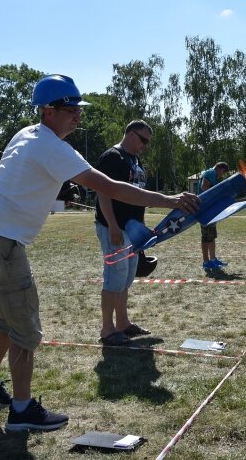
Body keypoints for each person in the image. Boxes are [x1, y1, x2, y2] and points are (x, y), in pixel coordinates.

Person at [0, 75, 199, 433]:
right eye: (70, 109)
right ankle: (22, 410)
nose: (77, 116)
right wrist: (168, 200)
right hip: (4, 242)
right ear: (48, 111)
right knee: (25, 327)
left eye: (78, 109)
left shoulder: (27, 135)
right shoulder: (50, 146)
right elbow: (109, 187)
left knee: (7, 318)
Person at [94, 120, 159, 346]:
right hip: (115, 228)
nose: (144, 146)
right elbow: (103, 193)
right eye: (143, 140)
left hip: (132, 230)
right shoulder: (113, 157)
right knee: (114, 278)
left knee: (126, 278)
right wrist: (112, 225)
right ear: (131, 134)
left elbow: (137, 196)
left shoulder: (135, 160)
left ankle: (122, 324)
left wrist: (142, 228)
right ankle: (107, 329)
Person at [198, 162, 229, 270]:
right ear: (221, 170)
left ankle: (213, 259)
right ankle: (206, 262)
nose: (222, 176)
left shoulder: (211, 174)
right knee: (206, 237)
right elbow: (204, 187)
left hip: (209, 210)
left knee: (211, 236)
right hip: (205, 210)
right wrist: (216, 196)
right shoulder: (210, 173)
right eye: (223, 173)